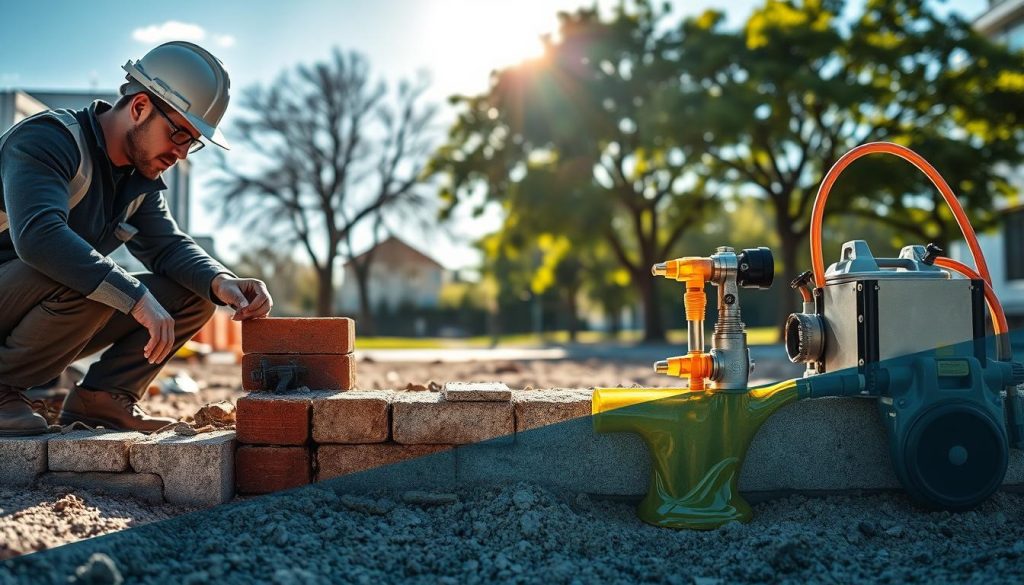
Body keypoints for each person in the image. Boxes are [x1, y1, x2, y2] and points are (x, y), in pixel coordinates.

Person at [0, 41, 272, 435]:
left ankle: (104, 399)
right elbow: (40, 237)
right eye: (178, 134)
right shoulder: (49, 140)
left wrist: (221, 281)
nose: (181, 154)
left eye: (191, 142)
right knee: (95, 281)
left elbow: (168, 245)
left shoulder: (135, 180)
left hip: (21, 308)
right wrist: (134, 296)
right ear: (140, 106)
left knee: (192, 294)